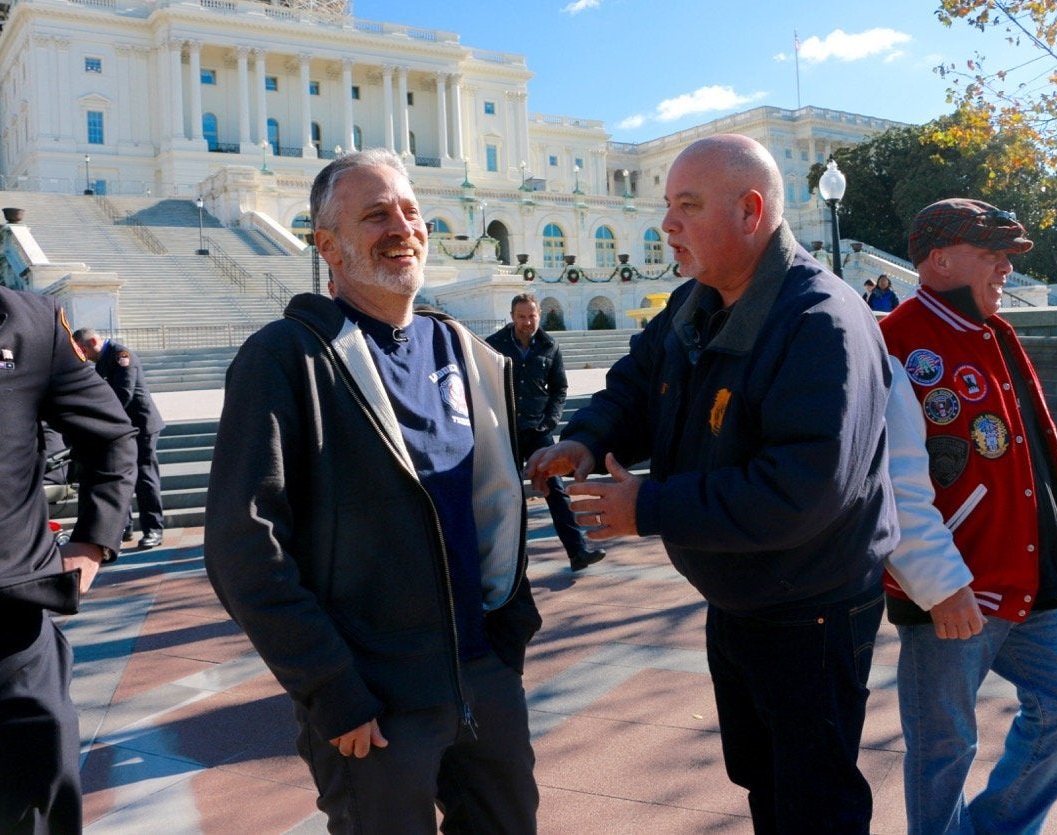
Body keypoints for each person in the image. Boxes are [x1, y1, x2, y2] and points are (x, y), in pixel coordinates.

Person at [527, 134, 899, 832]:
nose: (666, 224)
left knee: (815, 802)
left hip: (810, 608)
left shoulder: (822, 322)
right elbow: (635, 388)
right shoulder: (695, 302)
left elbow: (803, 490)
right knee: (765, 782)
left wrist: (650, 507)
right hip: (740, 597)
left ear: (751, 210)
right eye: (668, 205)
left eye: (687, 206)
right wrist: (587, 438)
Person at [204, 148, 541, 834]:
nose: (402, 227)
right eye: (376, 214)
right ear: (326, 245)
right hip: (375, 702)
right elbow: (244, 545)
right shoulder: (284, 358)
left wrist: (510, 636)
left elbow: (494, 506)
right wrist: (333, 689)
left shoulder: (463, 351)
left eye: (411, 211)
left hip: (482, 673)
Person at [879, 197, 1057, 834]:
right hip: (952, 589)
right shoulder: (895, 342)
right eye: (992, 253)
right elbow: (893, 485)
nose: (1007, 266)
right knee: (944, 749)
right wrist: (941, 585)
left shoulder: (994, 331)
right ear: (941, 259)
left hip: (1030, 576)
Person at [0, 283, 138, 831]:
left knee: (35, 806)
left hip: (7, 630)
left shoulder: (27, 322)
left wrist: (94, 541)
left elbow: (112, 436)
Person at [487, 293, 605, 571]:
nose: (527, 322)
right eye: (521, 316)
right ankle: (503, 562)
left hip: (539, 430)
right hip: (507, 430)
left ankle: (578, 552)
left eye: (532, 316)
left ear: (539, 314)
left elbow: (559, 388)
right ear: (512, 316)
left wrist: (551, 421)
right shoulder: (493, 345)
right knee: (505, 493)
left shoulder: (550, 345)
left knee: (556, 490)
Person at [72, 327, 166, 548]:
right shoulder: (101, 361)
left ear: (94, 340)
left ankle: (153, 529)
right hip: (120, 429)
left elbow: (123, 394)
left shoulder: (121, 355)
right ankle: (124, 527)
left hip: (141, 426)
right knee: (120, 477)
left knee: (144, 477)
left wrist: (101, 420)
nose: (83, 355)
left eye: (84, 350)